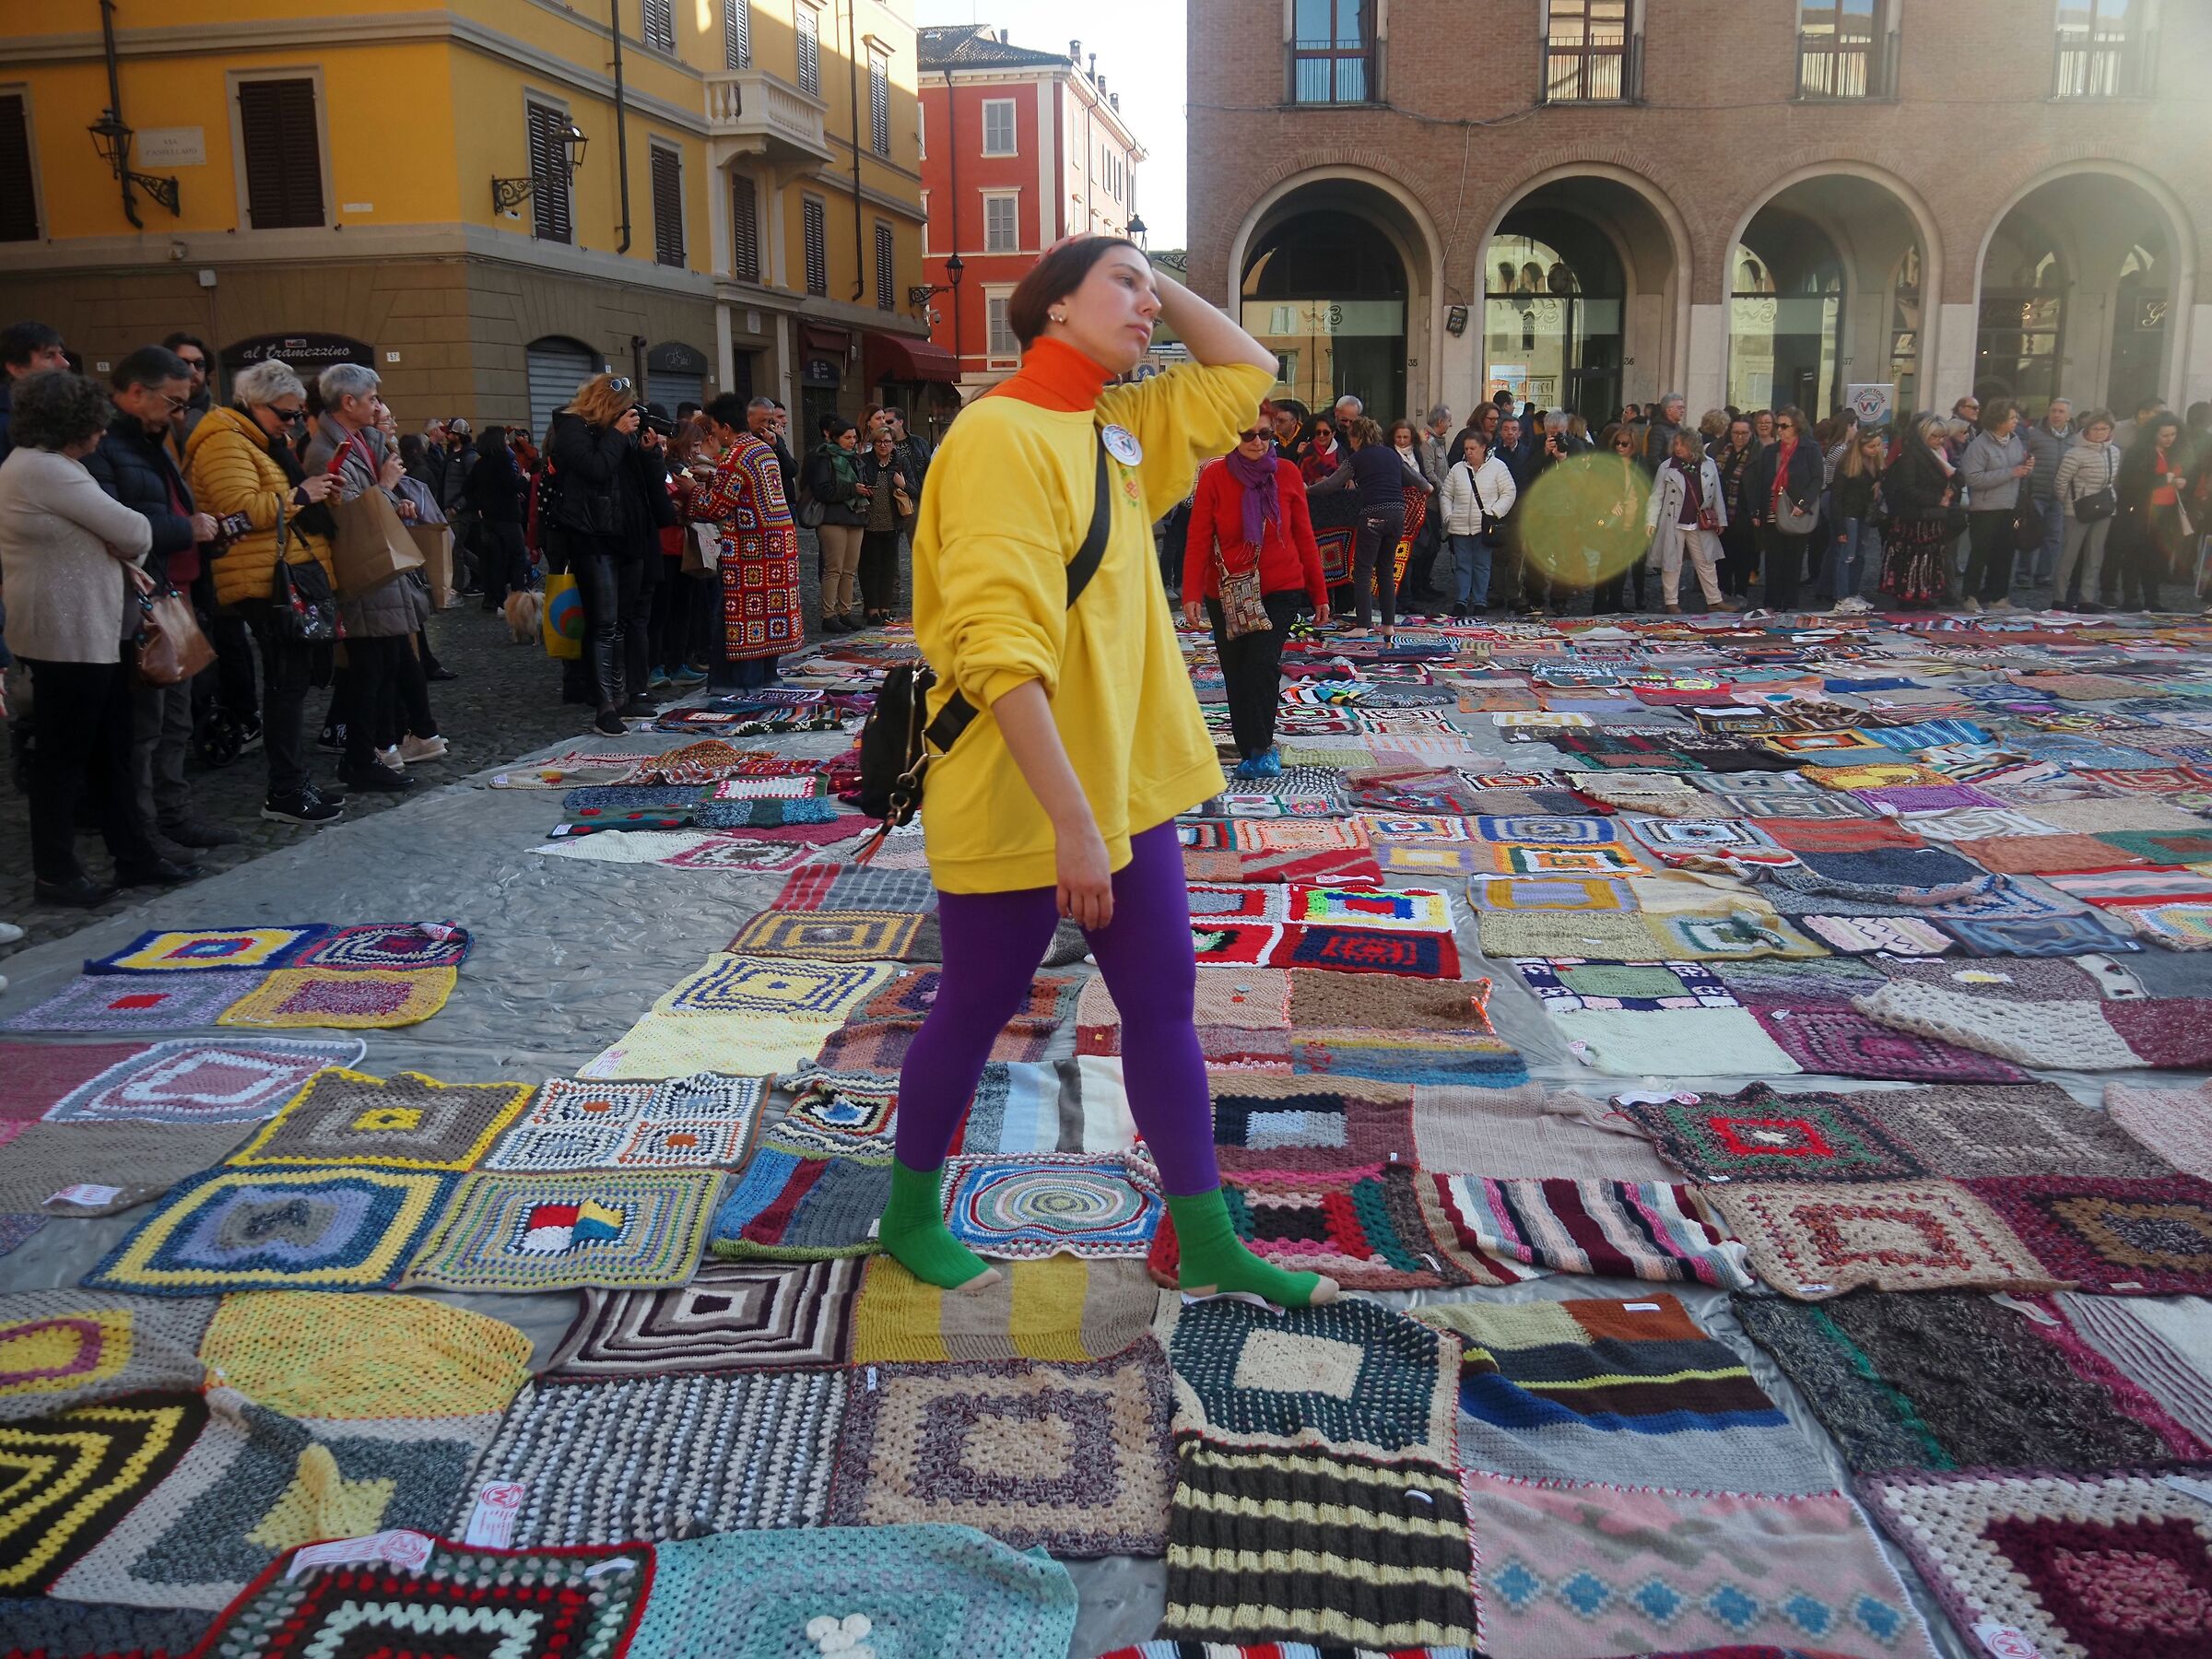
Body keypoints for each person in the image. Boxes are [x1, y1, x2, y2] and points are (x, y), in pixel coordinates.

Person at [889, 232, 1334, 1310]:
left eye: (1150, 289)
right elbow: (998, 653)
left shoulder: (1114, 424)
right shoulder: (998, 436)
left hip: (1124, 789)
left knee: (1165, 1004)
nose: (1147, 307)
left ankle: (1203, 1240)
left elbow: (1248, 371)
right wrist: (1074, 825)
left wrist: (1145, 269)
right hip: (1023, 791)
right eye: (1121, 287)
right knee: (977, 1004)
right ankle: (908, 1217)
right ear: (1053, 307)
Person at [0, 370, 172, 904]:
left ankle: (133, 856)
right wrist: (122, 542)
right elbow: (135, 530)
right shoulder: (46, 470)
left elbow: (124, 535)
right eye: (95, 423)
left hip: (86, 631)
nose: (102, 432)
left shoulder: (46, 466)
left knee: (107, 750)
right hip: (67, 635)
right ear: (71, 424)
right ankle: (56, 874)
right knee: (66, 758)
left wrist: (120, 542)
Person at [183, 357, 346, 825]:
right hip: (262, 581)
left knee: (291, 683)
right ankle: (285, 789)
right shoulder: (225, 443)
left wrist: (319, 492)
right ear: (255, 403)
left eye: (297, 414)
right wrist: (300, 496)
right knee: (284, 684)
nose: (293, 423)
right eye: (286, 414)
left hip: (279, 574)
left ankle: (294, 782)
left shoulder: (261, 440)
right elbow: (237, 511)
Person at [85, 345, 230, 865]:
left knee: (176, 721)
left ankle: (174, 816)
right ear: (134, 393)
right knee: (145, 727)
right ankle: (145, 831)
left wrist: (203, 535)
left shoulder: (151, 440)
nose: (179, 413)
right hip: (141, 601)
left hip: (173, 595)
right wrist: (187, 529)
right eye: (172, 402)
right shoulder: (105, 446)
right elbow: (116, 525)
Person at [306, 363, 443, 784]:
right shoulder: (326, 451)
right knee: (371, 668)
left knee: (385, 663)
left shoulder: (363, 440)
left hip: (382, 565)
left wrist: (396, 500)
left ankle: (377, 751)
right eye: (371, 399)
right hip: (362, 566)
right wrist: (384, 488)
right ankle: (366, 755)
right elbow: (348, 515)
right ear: (348, 402)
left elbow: (378, 500)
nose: (378, 406)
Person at [1182, 409, 1329, 778]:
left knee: (1260, 667)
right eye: (1248, 435)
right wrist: (1191, 593)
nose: (1257, 442)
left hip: (1280, 587)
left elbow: (1304, 536)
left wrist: (1320, 592)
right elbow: (1199, 537)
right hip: (1227, 590)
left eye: (1265, 434)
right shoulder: (1215, 476)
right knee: (1235, 673)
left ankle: (1262, 748)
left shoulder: (1288, 473)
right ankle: (1250, 749)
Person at [547, 372, 675, 732]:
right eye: (625, 406)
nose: (630, 413)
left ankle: (622, 697)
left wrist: (648, 452)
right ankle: (604, 706)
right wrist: (618, 435)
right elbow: (595, 468)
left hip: (630, 537)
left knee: (621, 622)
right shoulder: (572, 428)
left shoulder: (623, 434)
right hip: (594, 539)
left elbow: (644, 483)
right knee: (603, 624)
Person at [687, 393, 803, 689]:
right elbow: (749, 492)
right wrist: (714, 480)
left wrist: (692, 491)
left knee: (742, 616)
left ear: (725, 427)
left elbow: (716, 508)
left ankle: (737, 684)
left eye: (714, 428)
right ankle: (768, 676)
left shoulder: (735, 457)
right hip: (778, 548)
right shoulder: (762, 450)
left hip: (751, 552)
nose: (712, 434)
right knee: (771, 613)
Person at [1309, 415, 1406, 641]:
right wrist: (1428, 487)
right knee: (1386, 568)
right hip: (1398, 514)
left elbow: (1332, 483)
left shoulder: (1358, 457)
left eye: (1352, 438)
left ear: (1357, 437)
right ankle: (1388, 625)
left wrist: (1307, 490)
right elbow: (1416, 479)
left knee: (1362, 569)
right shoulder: (1392, 455)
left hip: (1373, 515)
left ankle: (1363, 624)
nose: (1350, 443)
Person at [1958, 396, 2031, 613]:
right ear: (1999, 420)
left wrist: (2026, 467)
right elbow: (1973, 479)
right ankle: (1970, 595)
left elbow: (2017, 469)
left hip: (2010, 506)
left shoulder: (2015, 440)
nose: (2016, 421)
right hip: (1985, 508)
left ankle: (1998, 596)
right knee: (1980, 554)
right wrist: (2011, 472)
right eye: (2012, 417)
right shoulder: (1979, 446)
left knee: (2005, 553)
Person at [1744, 405, 1820, 611]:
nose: (1780, 430)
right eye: (1778, 425)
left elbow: (1817, 480)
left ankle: (1790, 603)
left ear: (1797, 427)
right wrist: (1756, 510)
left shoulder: (1810, 449)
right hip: (1773, 509)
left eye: (1785, 426)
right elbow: (1760, 482)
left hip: (1796, 510)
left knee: (1794, 560)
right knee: (1773, 559)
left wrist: (1803, 504)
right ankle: (1771, 603)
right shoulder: (1770, 451)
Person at [1644, 428, 1728, 614]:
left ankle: (1714, 600)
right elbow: (1656, 496)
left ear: (1693, 445)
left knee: (1706, 561)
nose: (1678, 447)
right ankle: (1671, 602)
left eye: (1683, 444)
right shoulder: (1667, 467)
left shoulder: (1709, 464)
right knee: (1671, 562)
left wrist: (1721, 520)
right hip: (1673, 521)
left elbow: (1717, 494)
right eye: (1676, 444)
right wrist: (1651, 521)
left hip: (1699, 521)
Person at [2112, 411, 2190, 611]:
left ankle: (2152, 599)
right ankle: (2130, 597)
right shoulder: (2139, 451)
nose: (2169, 439)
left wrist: (2181, 482)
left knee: (2157, 556)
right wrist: (2163, 479)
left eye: (2173, 434)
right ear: (2153, 433)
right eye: (2165, 435)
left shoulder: (2176, 451)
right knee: (2135, 554)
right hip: (2142, 510)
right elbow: (2130, 482)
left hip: (2167, 510)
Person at [1877, 415, 1957, 608]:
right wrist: (1938, 499)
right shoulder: (1910, 456)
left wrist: (1950, 490)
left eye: (1942, 437)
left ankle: (1922, 592)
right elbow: (1907, 489)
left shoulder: (1939, 455)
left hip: (1932, 516)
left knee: (1929, 558)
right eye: (1935, 436)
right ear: (1924, 435)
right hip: (1913, 517)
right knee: (1912, 558)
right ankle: (1908, 595)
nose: (1939, 441)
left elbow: (1955, 477)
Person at [1438, 428, 1516, 616]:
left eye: (1472, 448)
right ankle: (1461, 600)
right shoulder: (1457, 469)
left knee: (1482, 564)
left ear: (1483, 448)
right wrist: (1448, 516)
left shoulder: (1498, 467)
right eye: (1466, 449)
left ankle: (1480, 600)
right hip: (1460, 525)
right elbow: (1446, 494)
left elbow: (1509, 492)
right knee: (1462, 564)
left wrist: (1494, 513)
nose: (1469, 452)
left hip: (1484, 526)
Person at [2052, 407, 2121, 613]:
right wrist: (2069, 503)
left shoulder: (2114, 452)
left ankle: (2086, 599)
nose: (2100, 433)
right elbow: (2060, 482)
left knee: (2095, 555)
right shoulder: (2074, 453)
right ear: (2087, 429)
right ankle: (2059, 597)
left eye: (2104, 429)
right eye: (2096, 428)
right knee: (2069, 555)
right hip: (2077, 509)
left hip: (2104, 508)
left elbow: (2112, 480)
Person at [805, 418, 868, 632]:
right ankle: (828, 615)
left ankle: (845, 612)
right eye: (847, 437)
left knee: (849, 569)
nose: (852, 441)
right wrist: (852, 490)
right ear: (834, 438)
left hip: (855, 517)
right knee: (834, 568)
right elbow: (823, 491)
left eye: (854, 437)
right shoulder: (824, 457)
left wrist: (865, 490)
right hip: (832, 519)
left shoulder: (855, 458)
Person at [465, 424, 530, 611]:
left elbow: (467, 489)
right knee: (517, 557)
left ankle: (498, 599)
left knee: (496, 559)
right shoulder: (503, 462)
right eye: (505, 439)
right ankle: (518, 597)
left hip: (489, 519)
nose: (507, 442)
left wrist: (478, 506)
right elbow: (511, 486)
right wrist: (524, 479)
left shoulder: (480, 464)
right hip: (508, 517)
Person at [855, 426, 915, 625]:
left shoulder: (900, 462)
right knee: (870, 566)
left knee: (889, 568)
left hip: (892, 522)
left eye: (888, 441)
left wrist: (903, 484)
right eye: (879, 442)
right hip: (869, 522)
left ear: (893, 444)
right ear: (873, 444)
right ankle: (872, 609)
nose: (883, 445)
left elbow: (916, 490)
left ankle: (885, 608)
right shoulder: (864, 461)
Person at [1589, 423, 1650, 614]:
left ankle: (1616, 601)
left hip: (1632, 519)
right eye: (1618, 443)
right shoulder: (1605, 462)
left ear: (1634, 445)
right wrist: (1609, 501)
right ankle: (1599, 603)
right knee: (1606, 562)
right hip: (1608, 520)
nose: (1620, 447)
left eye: (1625, 444)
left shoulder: (1640, 462)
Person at [1827, 430, 1884, 613]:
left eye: (1878, 445)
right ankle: (1842, 596)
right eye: (1871, 446)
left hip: (1862, 515)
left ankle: (1852, 593)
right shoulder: (1847, 463)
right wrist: (1840, 528)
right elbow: (1836, 497)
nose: (1876, 450)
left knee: (1859, 556)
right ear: (1860, 446)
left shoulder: (1875, 462)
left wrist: (1879, 482)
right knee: (1846, 556)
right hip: (1848, 514)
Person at [2019, 397, 2075, 588]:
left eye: (2061, 411)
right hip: (2035, 493)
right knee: (2028, 533)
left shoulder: (2074, 439)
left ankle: (2044, 575)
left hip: (2059, 495)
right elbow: (2022, 458)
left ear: (2068, 416)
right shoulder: (2034, 434)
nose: (2056, 415)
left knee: (2053, 537)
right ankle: (2023, 574)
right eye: (2053, 410)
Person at [1385, 417, 1436, 611]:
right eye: (1398, 437)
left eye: (1405, 437)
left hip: (1418, 508)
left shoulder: (1416, 453)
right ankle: (1401, 598)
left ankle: (1413, 592)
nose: (1402, 441)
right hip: (1399, 508)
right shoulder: (1390, 455)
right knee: (1401, 553)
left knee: (1419, 550)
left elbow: (1421, 475)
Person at [0, 321, 68, 464]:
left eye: (62, 354)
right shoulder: (4, 419)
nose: (65, 363)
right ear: (16, 369)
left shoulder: (63, 407)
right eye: (49, 356)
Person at [1710, 416, 1760, 600]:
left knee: (1744, 554)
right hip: (1721, 510)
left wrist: (1757, 511)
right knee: (1722, 554)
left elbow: (1761, 484)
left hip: (1745, 510)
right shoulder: (1719, 449)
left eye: (1744, 433)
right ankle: (1723, 591)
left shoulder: (1758, 452)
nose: (1739, 437)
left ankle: (1740, 592)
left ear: (1751, 433)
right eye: (1736, 433)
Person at [160, 333, 214, 449]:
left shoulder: (221, 419)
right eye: (182, 363)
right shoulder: (149, 418)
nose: (192, 371)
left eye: (199, 364)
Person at [1638, 393, 1686, 477]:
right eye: (1679, 408)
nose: (1682, 411)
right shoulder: (1657, 430)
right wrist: (1669, 474)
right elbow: (1653, 458)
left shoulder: (1679, 428)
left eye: (1683, 408)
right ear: (1668, 410)